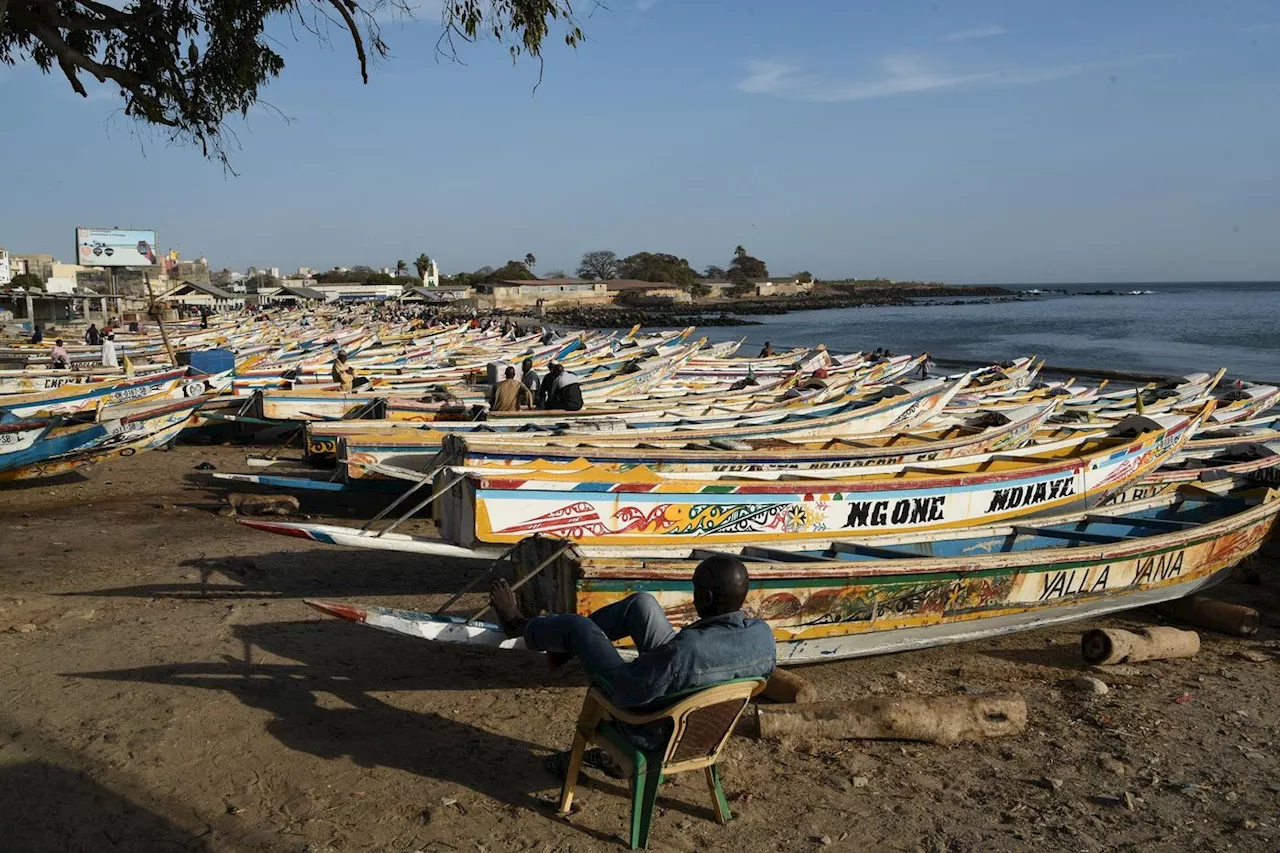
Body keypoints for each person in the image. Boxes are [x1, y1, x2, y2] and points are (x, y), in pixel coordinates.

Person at [490, 554, 776, 758]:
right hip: (692, 706)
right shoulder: (763, 636)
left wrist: (593, 647)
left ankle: (520, 625)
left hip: (652, 724)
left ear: (708, 598)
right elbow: (687, 661)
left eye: (696, 591)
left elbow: (631, 692)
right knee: (642, 605)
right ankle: (562, 649)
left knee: (577, 627)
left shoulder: (685, 650)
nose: (693, 596)